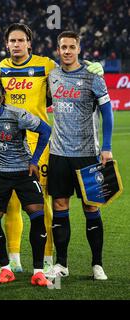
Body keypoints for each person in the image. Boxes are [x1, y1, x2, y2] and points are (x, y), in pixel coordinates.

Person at [0, 23, 104, 273]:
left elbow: (70, 68)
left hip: (40, 143)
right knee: (11, 203)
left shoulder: (46, 65)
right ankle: (14, 260)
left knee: (41, 200)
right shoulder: (2, 68)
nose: (16, 45)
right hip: (10, 143)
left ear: (29, 43)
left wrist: (89, 65)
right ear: (6, 44)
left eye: (20, 40)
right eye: (12, 41)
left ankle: (47, 259)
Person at [46, 31, 113, 281]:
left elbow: (108, 113)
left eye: (71, 47)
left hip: (88, 154)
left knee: (91, 207)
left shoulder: (93, 77)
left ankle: (97, 264)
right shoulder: (52, 76)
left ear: (79, 49)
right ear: (58, 49)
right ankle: (62, 264)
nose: (66, 51)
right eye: (63, 47)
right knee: (60, 206)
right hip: (59, 153)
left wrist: (106, 147)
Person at [0, 79, 52, 286]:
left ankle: (38, 271)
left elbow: (46, 130)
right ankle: (6, 269)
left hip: (23, 172)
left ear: (2, 98)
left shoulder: (18, 115)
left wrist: (34, 160)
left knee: (37, 217)